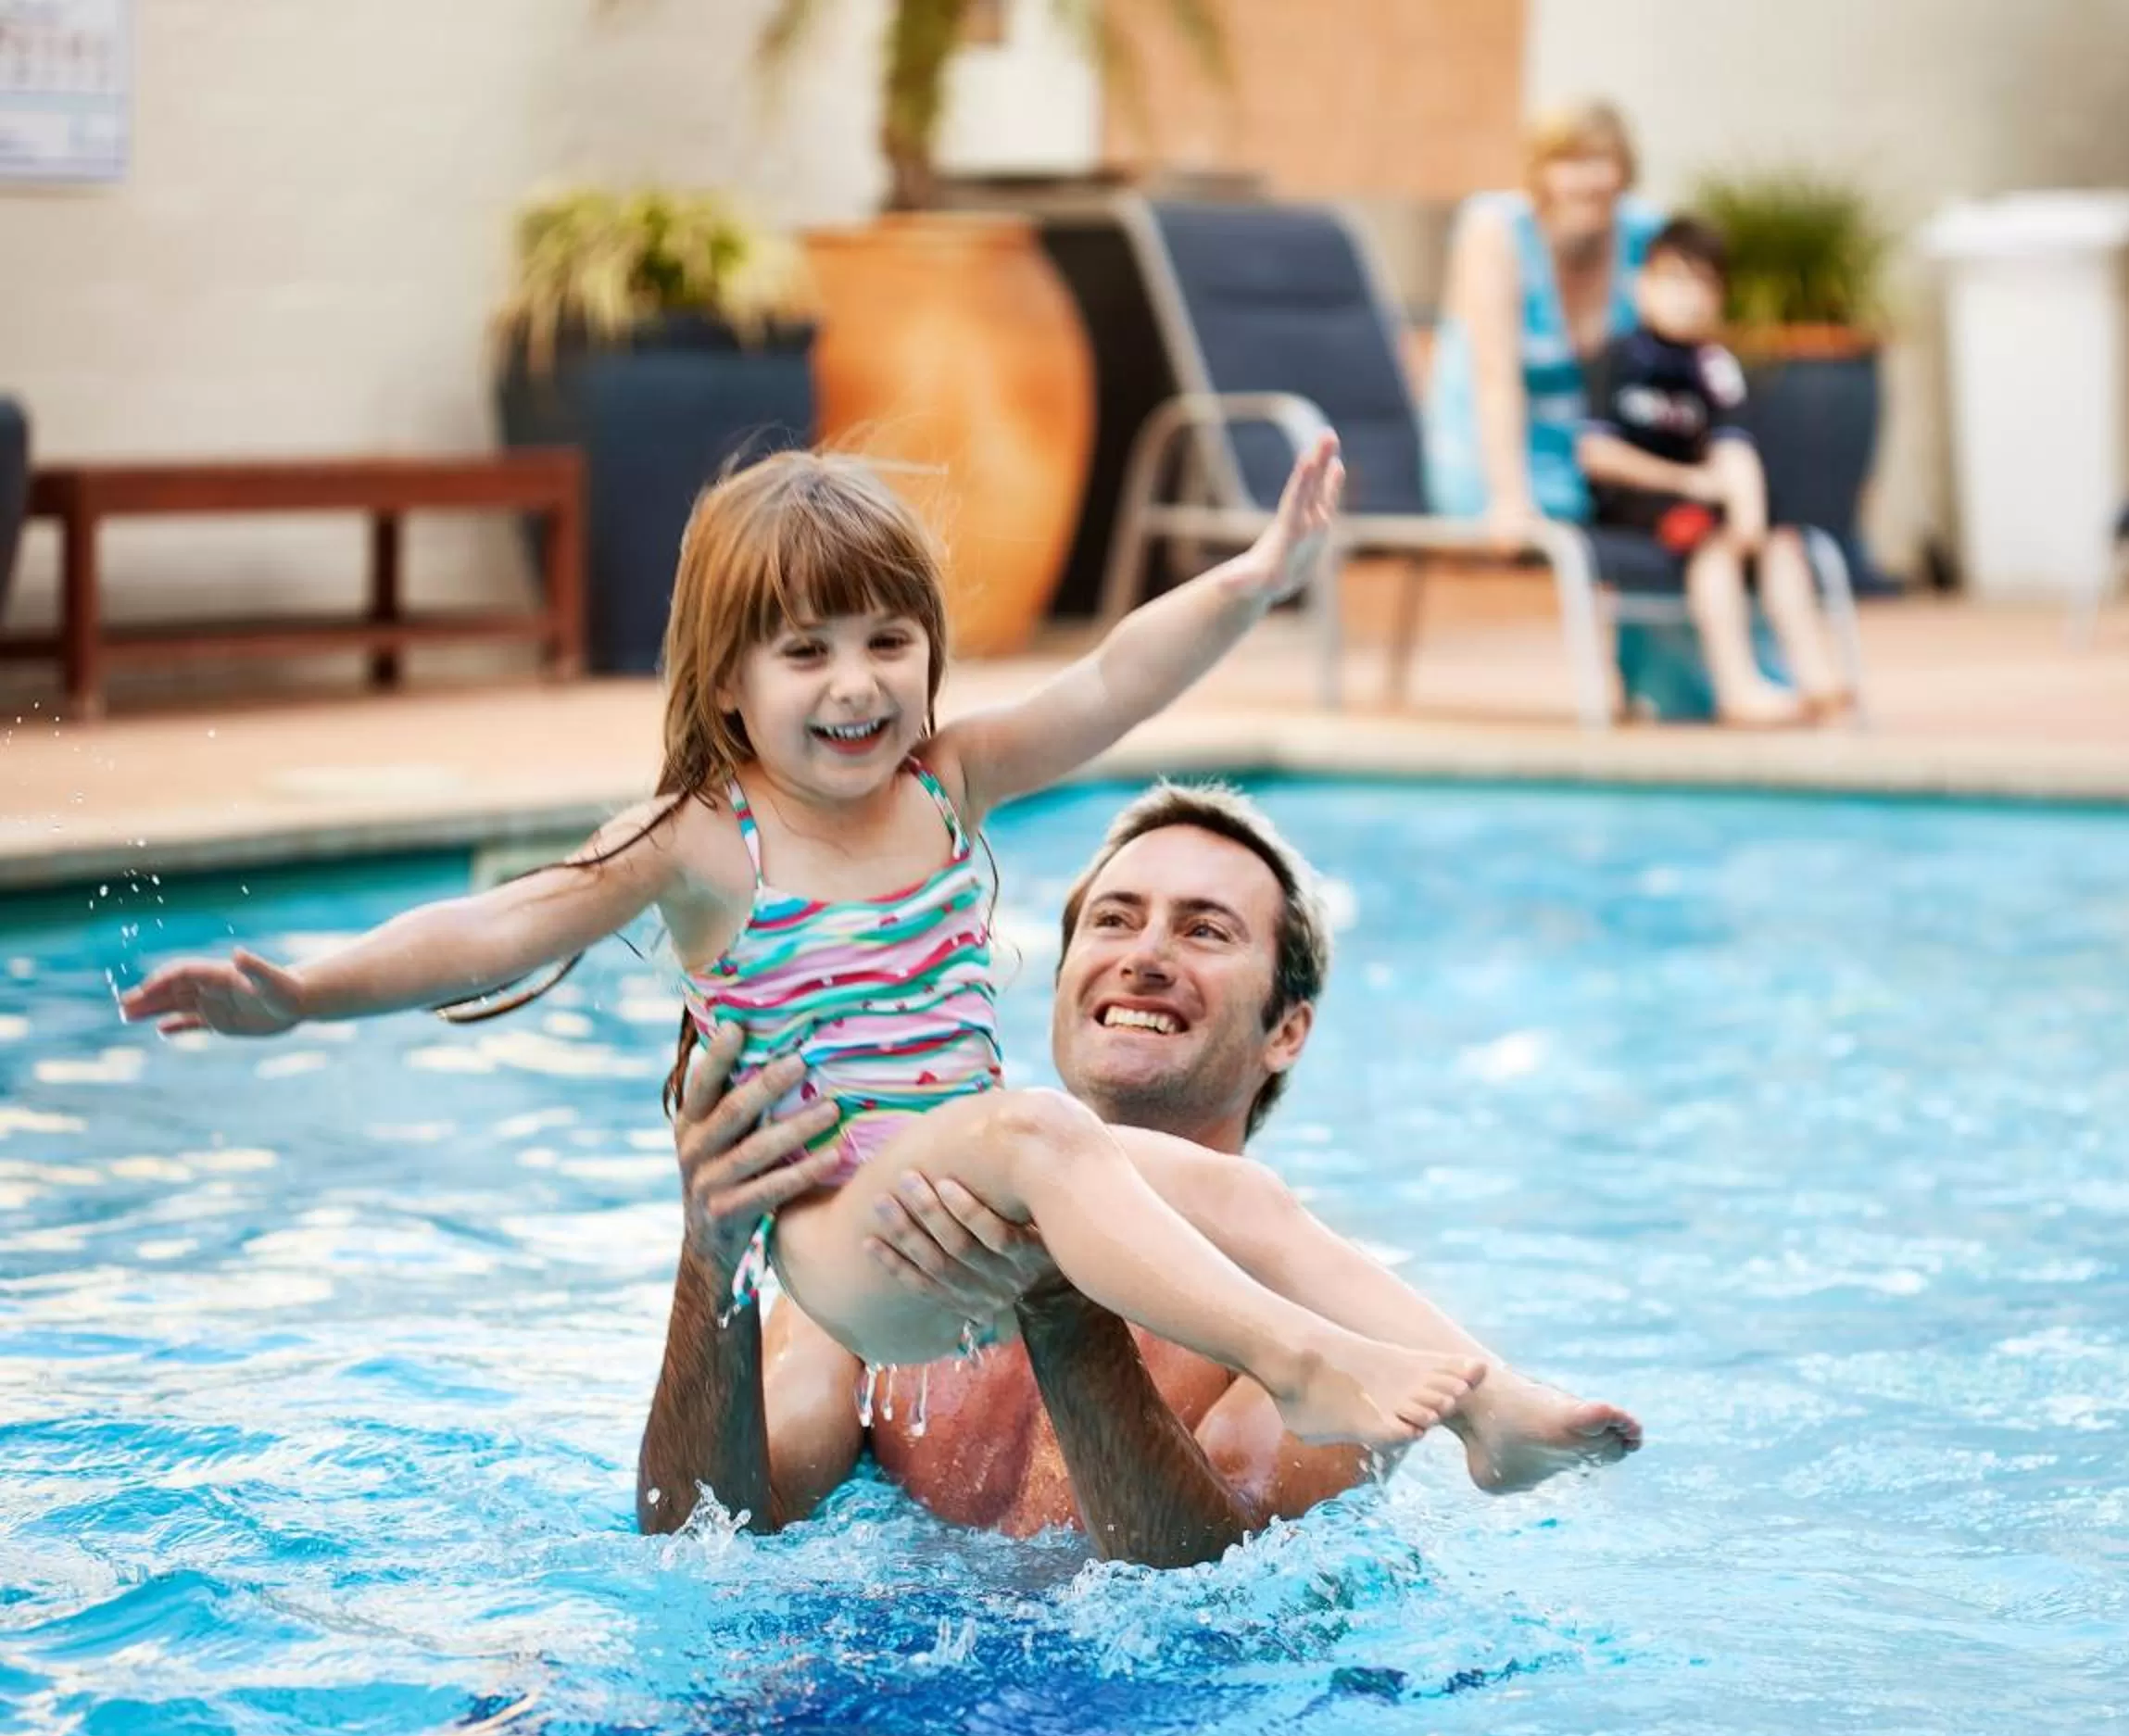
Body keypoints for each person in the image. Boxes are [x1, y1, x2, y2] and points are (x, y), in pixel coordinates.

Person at [120, 437, 1630, 1483]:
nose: (857, 685)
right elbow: (505, 922)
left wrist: (1249, 579)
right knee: (1045, 1125)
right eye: (806, 651)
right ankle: (1300, 1359)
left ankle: (1490, 1409)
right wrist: (309, 993)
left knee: (1247, 1195)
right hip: (854, 1249)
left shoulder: (943, 783)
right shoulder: (708, 840)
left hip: (980, 1204)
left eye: (888, 641)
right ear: (725, 681)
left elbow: (1114, 677)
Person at [644, 783, 1637, 1565]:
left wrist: (1062, 1305)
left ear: (1286, 1028)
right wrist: (713, 1247)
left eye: (1205, 930)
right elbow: (708, 1536)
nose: (1146, 956)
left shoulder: (1341, 1326)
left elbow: (1213, 1604)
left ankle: (1498, 1404)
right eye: (1114, 920)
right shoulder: (915, 1218)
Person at [1421, 98, 1843, 725]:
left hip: (1613, 450)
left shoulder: (1647, 239)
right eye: (1570, 161)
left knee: (1703, 519)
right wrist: (1508, 498)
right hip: (1497, 449)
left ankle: (1742, 679)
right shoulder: (1496, 234)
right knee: (1640, 515)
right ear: (1540, 171)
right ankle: (1703, 679)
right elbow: (1495, 378)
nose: (1588, 179)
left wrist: (1715, 476)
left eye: (1603, 162)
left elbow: (1684, 366)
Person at [1581, 215, 1852, 724]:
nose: (1687, 297)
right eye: (1672, 280)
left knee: (1780, 544)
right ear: (1638, 287)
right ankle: (1737, 685)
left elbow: (1735, 444)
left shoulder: (1714, 365)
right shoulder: (1616, 359)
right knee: (1716, 549)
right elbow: (1598, 453)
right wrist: (1686, 481)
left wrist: (1748, 512)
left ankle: (1815, 676)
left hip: (1706, 501)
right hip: (1636, 504)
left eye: (1702, 284)